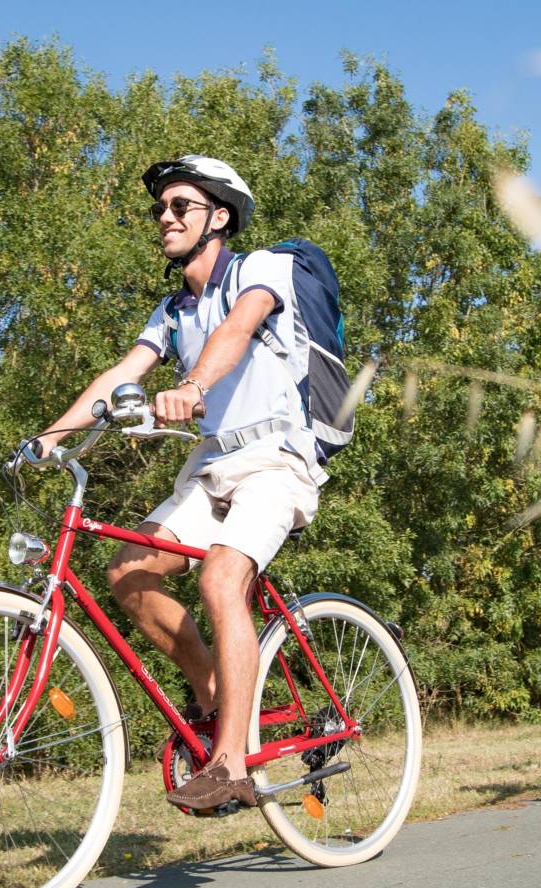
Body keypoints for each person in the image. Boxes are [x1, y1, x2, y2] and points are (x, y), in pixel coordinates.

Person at [30, 155, 326, 810]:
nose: (165, 217)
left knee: (222, 577)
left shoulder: (261, 270)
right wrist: (47, 436)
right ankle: (218, 700)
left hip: (277, 458)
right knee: (128, 573)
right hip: (214, 466)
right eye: (160, 209)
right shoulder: (172, 309)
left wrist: (192, 387)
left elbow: (238, 327)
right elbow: (122, 374)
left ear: (219, 216)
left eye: (180, 206)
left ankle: (231, 763)